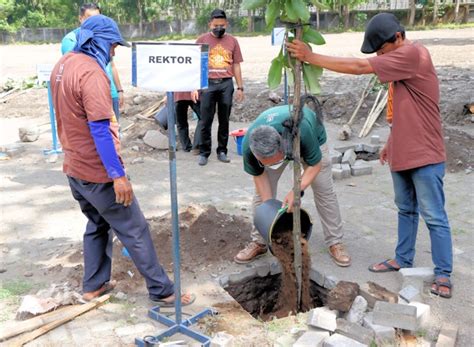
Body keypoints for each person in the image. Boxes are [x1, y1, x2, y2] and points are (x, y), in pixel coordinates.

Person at [287, 13, 453, 298]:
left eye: (382, 49)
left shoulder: (413, 54)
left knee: (434, 216)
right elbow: (409, 107)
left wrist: (310, 57)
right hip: (402, 151)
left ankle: (444, 273)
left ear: (398, 38)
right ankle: (403, 258)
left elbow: (358, 66)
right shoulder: (400, 61)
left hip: (425, 154)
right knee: (405, 209)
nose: (379, 56)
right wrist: (391, 140)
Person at [50, 14, 194, 306]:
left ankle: (93, 286)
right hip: (97, 172)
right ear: (98, 42)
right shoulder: (91, 73)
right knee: (134, 228)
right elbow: (100, 130)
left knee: (97, 224)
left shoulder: (63, 65)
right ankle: (162, 290)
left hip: (74, 167)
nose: (114, 51)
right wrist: (118, 176)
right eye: (113, 44)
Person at [234, 104, 351, 267]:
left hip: (311, 139)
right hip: (274, 147)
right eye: (266, 163)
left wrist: (297, 190)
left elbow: (315, 165)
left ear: (282, 147)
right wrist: (271, 212)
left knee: (324, 191)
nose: (273, 165)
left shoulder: (303, 130)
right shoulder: (249, 147)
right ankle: (259, 241)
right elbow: (260, 177)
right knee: (260, 198)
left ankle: (335, 242)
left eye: (275, 161)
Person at [191, 9, 244, 166]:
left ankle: (222, 150)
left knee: (224, 120)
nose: (219, 28)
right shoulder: (201, 40)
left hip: (226, 84)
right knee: (205, 120)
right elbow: (196, 65)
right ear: (210, 24)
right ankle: (204, 152)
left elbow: (236, 65)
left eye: (222, 25)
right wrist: (195, 86)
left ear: (226, 24)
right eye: (215, 25)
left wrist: (240, 87)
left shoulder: (233, 41)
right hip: (207, 84)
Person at [61, 3, 124, 120]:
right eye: (90, 18)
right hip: (91, 95)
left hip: (111, 93)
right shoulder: (71, 40)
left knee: (114, 130)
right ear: (81, 19)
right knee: (100, 129)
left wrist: (119, 90)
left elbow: (112, 65)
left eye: (98, 17)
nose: (96, 21)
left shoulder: (103, 39)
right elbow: (76, 70)